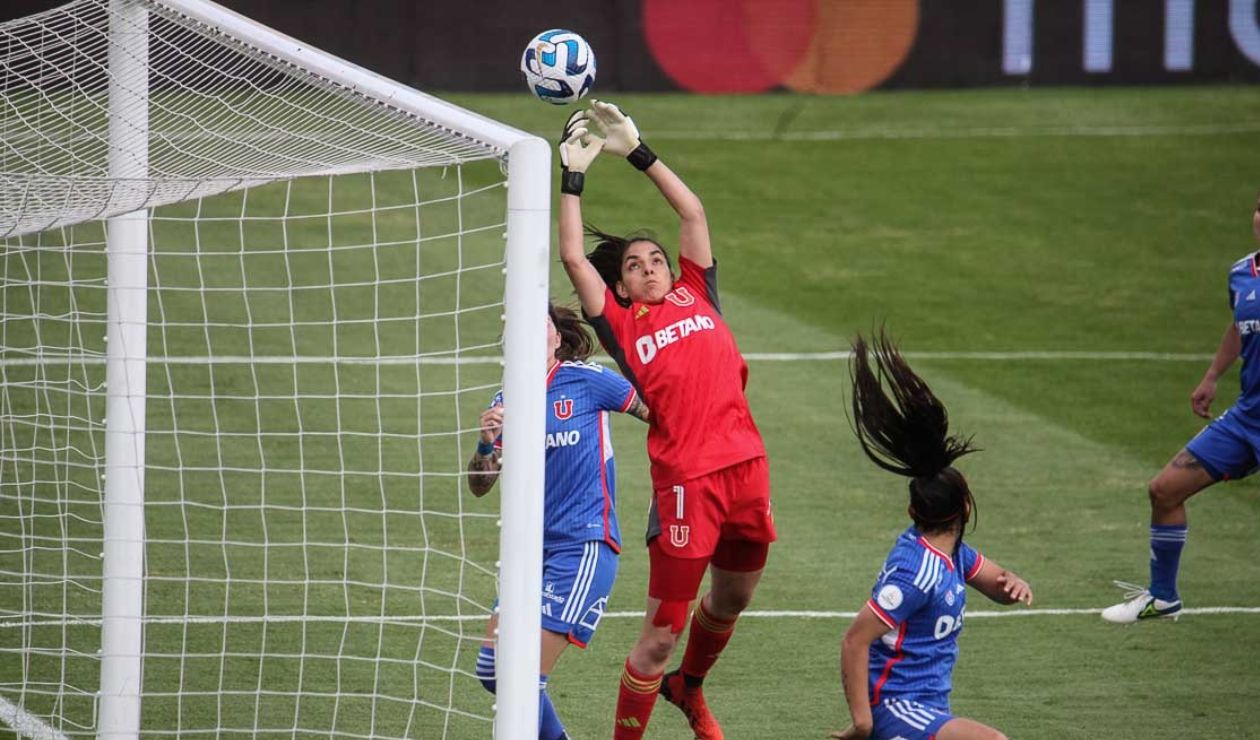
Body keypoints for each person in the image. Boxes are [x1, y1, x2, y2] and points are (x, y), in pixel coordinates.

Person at [556, 101, 776, 740]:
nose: (650, 267)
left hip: (747, 467)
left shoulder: (696, 291)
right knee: (659, 632)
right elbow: (574, 258)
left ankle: (690, 686)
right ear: (620, 288)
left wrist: (638, 151)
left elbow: (693, 212)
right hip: (686, 483)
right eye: (634, 264)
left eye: (655, 259)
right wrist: (573, 178)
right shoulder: (625, 326)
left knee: (733, 599)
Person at [832, 331, 1033, 740]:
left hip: (930, 706)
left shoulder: (952, 553)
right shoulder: (915, 575)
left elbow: (994, 582)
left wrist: (1011, 582)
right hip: (897, 707)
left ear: (913, 513)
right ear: (966, 509)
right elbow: (855, 641)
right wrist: (863, 723)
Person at [468, 303, 649, 740]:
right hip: (527, 553)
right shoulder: (505, 400)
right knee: (493, 670)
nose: (535, 331)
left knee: (523, 679)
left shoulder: (588, 380)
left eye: (543, 324)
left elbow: (656, 412)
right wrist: (486, 444)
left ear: (556, 338)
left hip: (582, 545)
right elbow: (479, 484)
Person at [1102, 191, 1260, 624]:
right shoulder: (1242, 273)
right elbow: (1239, 325)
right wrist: (1212, 376)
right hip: (1248, 417)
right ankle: (1163, 595)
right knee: (1164, 490)